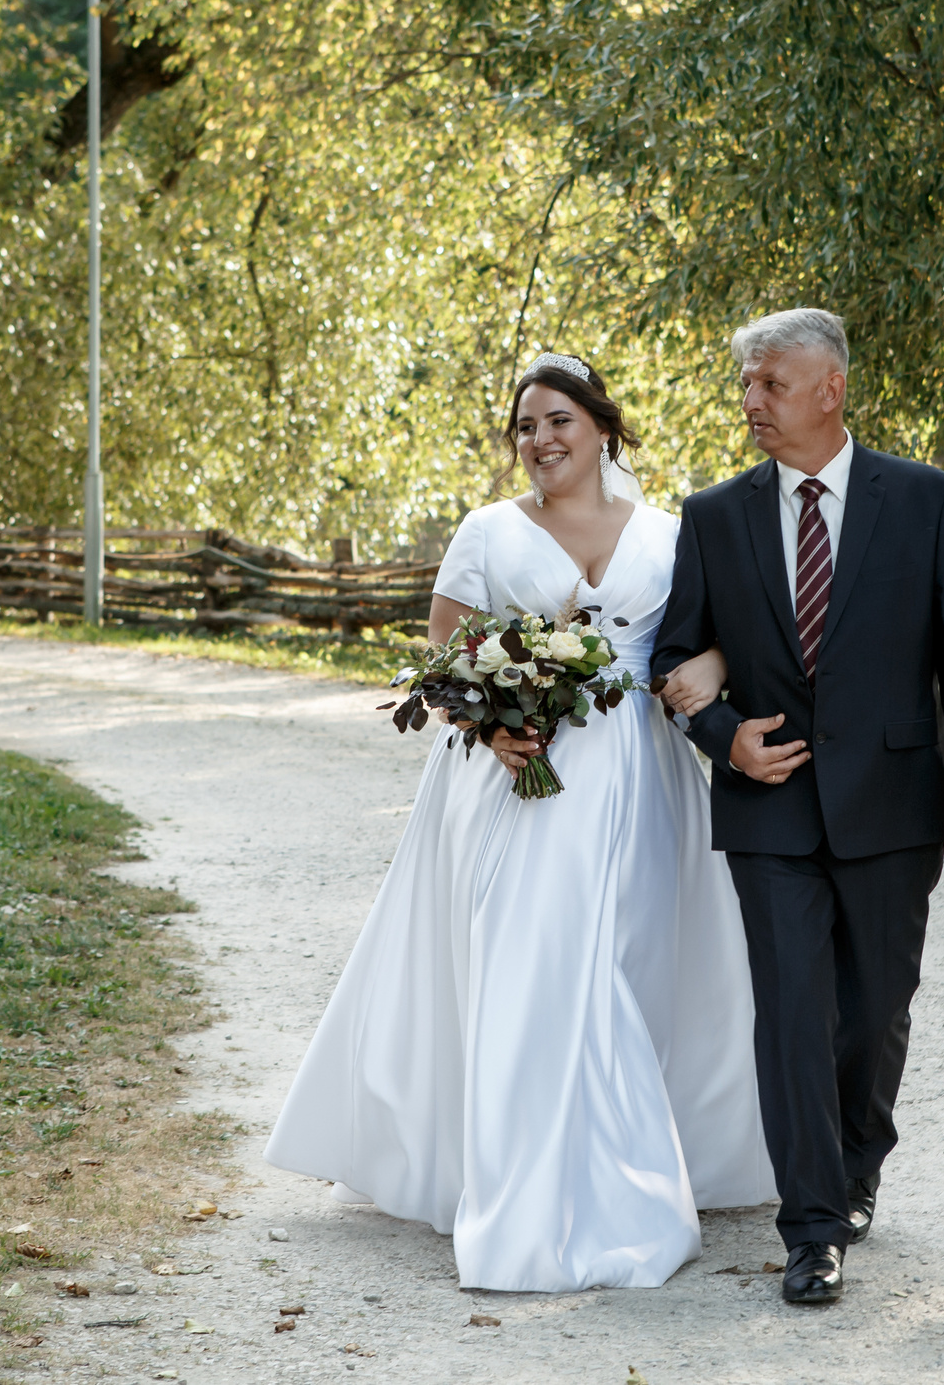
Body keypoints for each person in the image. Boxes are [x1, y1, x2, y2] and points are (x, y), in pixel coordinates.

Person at [263, 352, 775, 1292]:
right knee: (536, 962)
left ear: (602, 429)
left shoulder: (670, 532)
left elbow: (715, 636)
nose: (539, 441)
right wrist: (493, 721)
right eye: (525, 428)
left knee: (628, 962)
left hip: (641, 779)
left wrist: (714, 673)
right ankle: (526, 1189)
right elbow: (447, 653)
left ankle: (631, 1160)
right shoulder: (489, 531)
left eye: (557, 423)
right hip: (521, 772)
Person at [649, 307, 944, 1306]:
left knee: (873, 1014)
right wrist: (726, 740)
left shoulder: (926, 501)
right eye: (745, 385)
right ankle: (810, 1229)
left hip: (893, 803)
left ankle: (857, 1164)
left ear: (826, 390)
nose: (749, 401)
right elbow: (674, 656)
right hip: (769, 814)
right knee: (792, 1018)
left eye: (766, 383)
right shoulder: (714, 516)